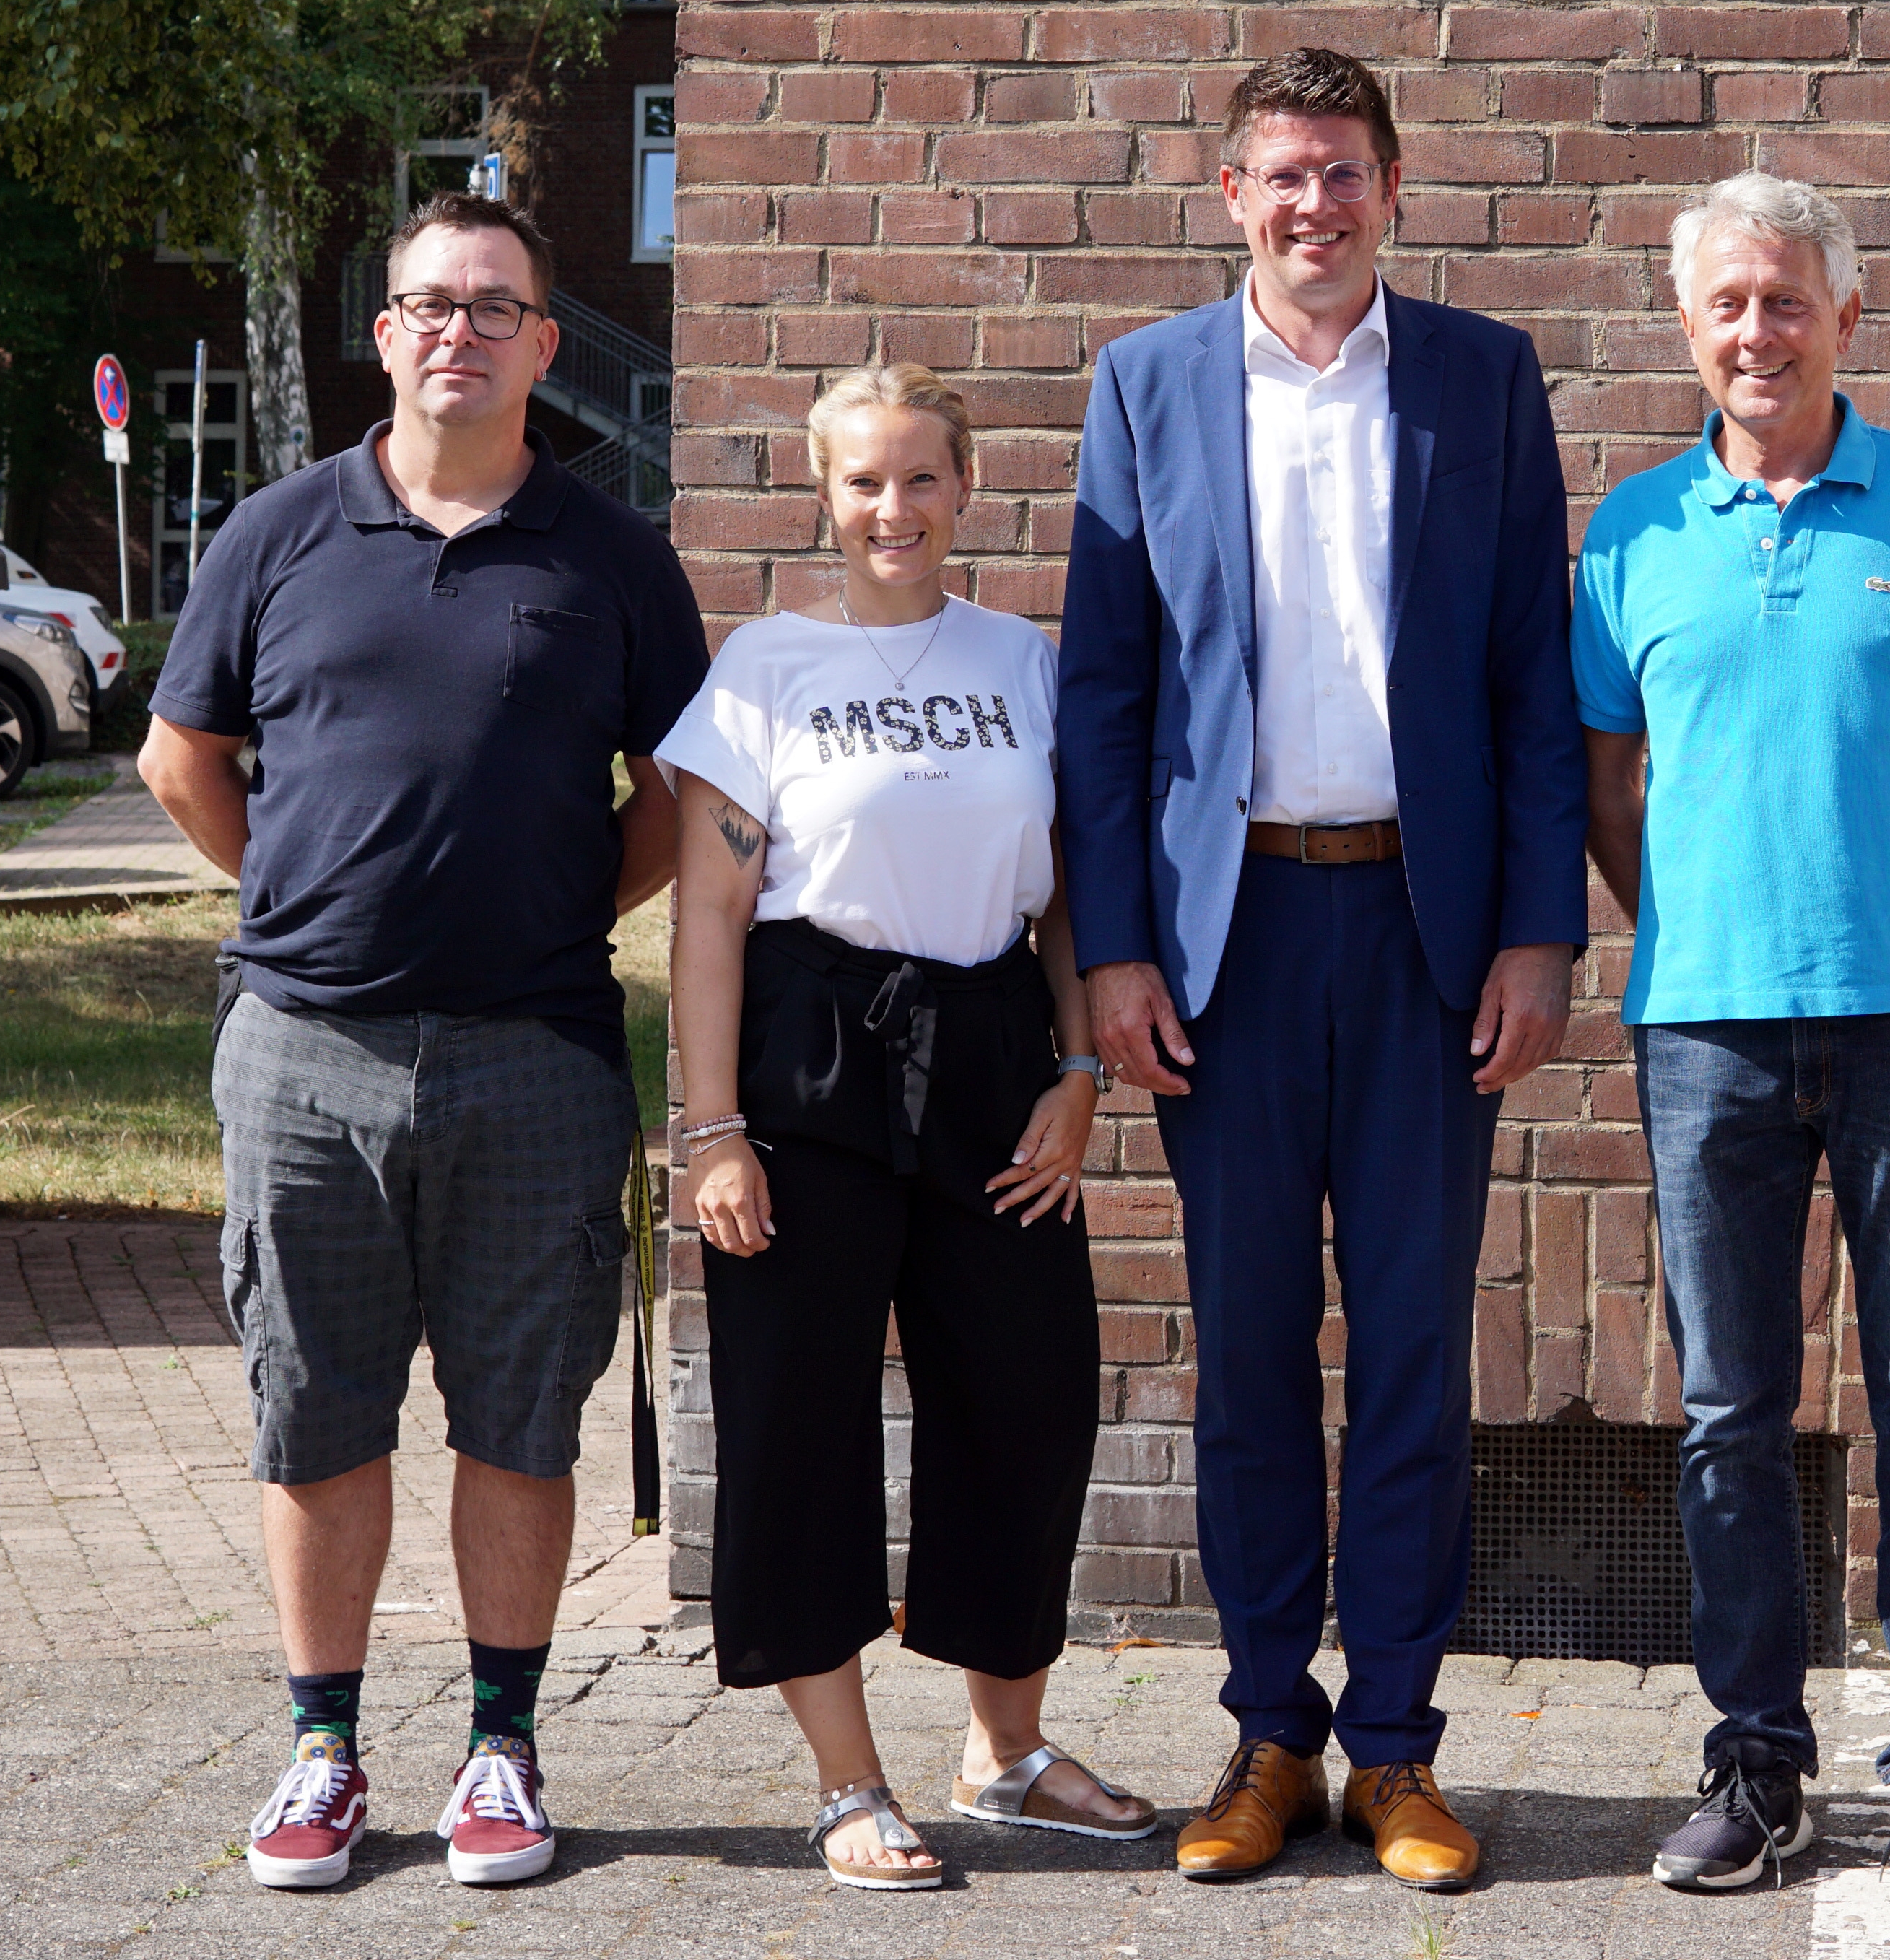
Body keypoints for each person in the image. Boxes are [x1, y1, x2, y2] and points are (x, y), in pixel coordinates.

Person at [1056, 45, 1587, 1893]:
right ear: (1231, 194)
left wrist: (1537, 925)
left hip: (1432, 936)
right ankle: (1271, 1726)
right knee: (1253, 1353)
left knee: (1420, 1352)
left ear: (1391, 184)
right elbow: (1103, 694)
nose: (1315, 203)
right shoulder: (1145, 385)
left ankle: (1400, 1749)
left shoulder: (1478, 376)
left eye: (1345, 170)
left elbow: (1535, 678)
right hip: (1232, 939)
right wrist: (1111, 946)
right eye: (1282, 173)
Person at [139, 192, 710, 1891]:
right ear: (382, 334)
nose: (458, 328)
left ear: (547, 338)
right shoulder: (276, 534)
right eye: (427, 303)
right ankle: (320, 1744)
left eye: (495, 304)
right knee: (314, 1405)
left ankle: (500, 1747)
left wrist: (546, 917)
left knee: (522, 1412)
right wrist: (312, 899)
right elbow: (186, 758)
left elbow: (675, 795)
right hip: (302, 1050)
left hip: (534, 1048)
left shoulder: (612, 556)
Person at [1572, 170, 1890, 1904]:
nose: (1756, 330)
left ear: (1846, 315)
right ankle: (1755, 1756)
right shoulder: (1630, 532)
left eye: (1786, 299)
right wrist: (1699, 926)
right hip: (1704, 1029)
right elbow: (1605, 784)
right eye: (1726, 304)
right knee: (1728, 1407)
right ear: (1687, 327)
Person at [659, 361, 1152, 1887]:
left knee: (1025, 1394)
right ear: (824, 490)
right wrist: (710, 1130)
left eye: (922, 476)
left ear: (966, 485)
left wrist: (1079, 1076)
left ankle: (1006, 1746)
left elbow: (1070, 892)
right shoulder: (763, 666)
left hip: (995, 1049)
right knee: (797, 1414)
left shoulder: (1024, 658)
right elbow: (710, 918)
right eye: (864, 479)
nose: (895, 507)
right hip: (809, 1059)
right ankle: (847, 1779)